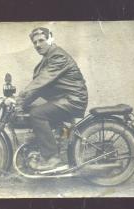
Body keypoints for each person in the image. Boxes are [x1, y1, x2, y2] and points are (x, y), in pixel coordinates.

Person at [17, 27, 88, 170]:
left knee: (37, 114)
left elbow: (41, 81)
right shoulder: (47, 59)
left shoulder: (57, 56)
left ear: (50, 39)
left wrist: (21, 97)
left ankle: (52, 158)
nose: (38, 45)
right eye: (35, 42)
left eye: (41, 40)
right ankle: (58, 142)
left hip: (73, 99)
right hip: (64, 99)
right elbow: (41, 87)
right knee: (33, 111)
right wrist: (22, 103)